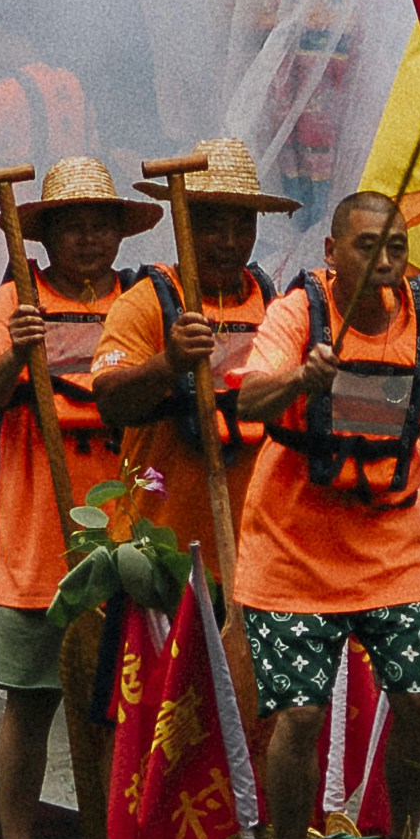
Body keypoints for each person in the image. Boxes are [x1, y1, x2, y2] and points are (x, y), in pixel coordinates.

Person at [213, 185, 420, 839]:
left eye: (397, 247)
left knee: (417, 700)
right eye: (368, 246)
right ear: (332, 252)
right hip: (291, 549)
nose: (384, 260)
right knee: (298, 714)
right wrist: (300, 380)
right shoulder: (297, 316)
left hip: (388, 548)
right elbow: (251, 403)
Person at [0, 155, 148, 839]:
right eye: (74, 228)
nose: (90, 241)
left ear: (121, 237)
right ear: (47, 236)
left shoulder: (144, 300)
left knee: (128, 708)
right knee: (30, 701)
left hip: (127, 537)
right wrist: (19, 355)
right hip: (39, 537)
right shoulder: (11, 304)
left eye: (102, 227)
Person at [86, 137, 289, 555]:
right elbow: (109, 402)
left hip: (257, 552)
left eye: (243, 226)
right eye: (213, 226)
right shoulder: (143, 302)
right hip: (158, 548)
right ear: (184, 222)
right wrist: (169, 363)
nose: (230, 241)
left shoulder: (279, 307)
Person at [0, 20, 90, 172]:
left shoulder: (2, 93)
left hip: (21, 193)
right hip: (74, 185)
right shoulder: (71, 81)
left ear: (19, 39)